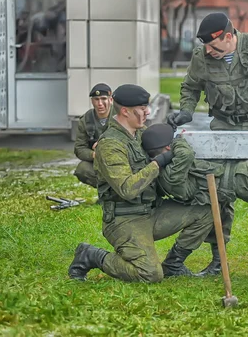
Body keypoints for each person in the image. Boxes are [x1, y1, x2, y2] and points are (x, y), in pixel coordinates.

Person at [166, 12, 248, 278]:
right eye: (205, 46)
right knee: (217, 187)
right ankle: (219, 258)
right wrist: (186, 112)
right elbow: (191, 87)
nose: (208, 51)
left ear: (229, 37)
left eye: (214, 46)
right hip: (223, 126)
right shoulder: (201, 57)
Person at [67, 84, 214, 283]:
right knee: (149, 274)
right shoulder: (110, 145)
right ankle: (91, 255)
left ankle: (174, 263)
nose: (147, 112)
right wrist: (158, 162)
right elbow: (127, 189)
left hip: (151, 211)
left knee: (206, 211)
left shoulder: (140, 133)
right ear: (125, 111)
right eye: (142, 109)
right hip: (124, 219)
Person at [73, 83, 113, 188]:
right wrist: (94, 155)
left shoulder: (122, 116)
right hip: (99, 162)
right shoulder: (86, 120)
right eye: (96, 99)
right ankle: (107, 194)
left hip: (121, 160)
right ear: (92, 101)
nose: (100, 103)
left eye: (103, 99)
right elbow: (79, 148)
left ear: (111, 100)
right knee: (83, 169)